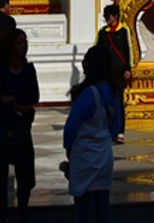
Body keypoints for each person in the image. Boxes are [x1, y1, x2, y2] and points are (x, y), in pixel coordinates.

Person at [0, 28, 38, 223]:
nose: (23, 46)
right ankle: (3, 214)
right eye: (19, 42)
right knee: (0, 174)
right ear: (10, 46)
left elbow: (33, 96)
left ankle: (22, 212)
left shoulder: (28, 70)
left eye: (25, 42)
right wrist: (15, 106)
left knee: (24, 174)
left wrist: (12, 99)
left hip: (22, 128)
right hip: (2, 127)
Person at [64, 46, 120, 223]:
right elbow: (116, 125)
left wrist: (69, 148)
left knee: (85, 211)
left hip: (85, 155)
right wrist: (102, 137)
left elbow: (71, 127)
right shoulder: (113, 92)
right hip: (104, 154)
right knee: (103, 209)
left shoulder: (88, 93)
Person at [95, 4, 130, 143]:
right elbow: (97, 50)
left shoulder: (123, 31)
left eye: (109, 16)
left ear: (115, 16)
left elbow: (128, 50)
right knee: (105, 101)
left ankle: (120, 131)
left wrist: (128, 68)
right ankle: (108, 129)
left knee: (119, 101)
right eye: (105, 16)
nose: (107, 19)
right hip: (106, 71)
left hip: (119, 71)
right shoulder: (103, 33)